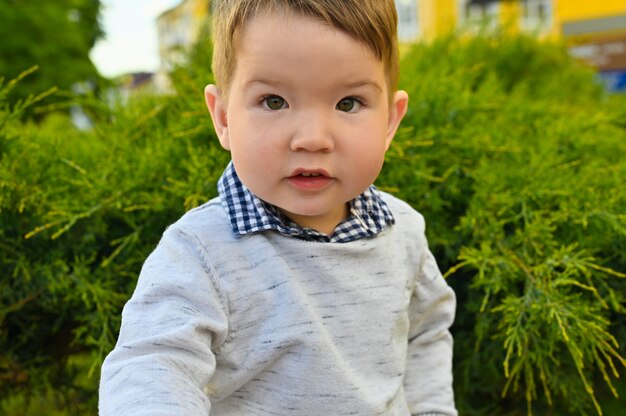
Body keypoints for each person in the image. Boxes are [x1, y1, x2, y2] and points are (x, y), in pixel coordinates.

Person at [99, 1, 457, 415]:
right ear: (223, 118)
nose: (311, 138)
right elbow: (152, 365)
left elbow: (426, 332)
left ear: (390, 123)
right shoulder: (200, 254)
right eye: (273, 102)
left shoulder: (404, 232)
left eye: (348, 104)